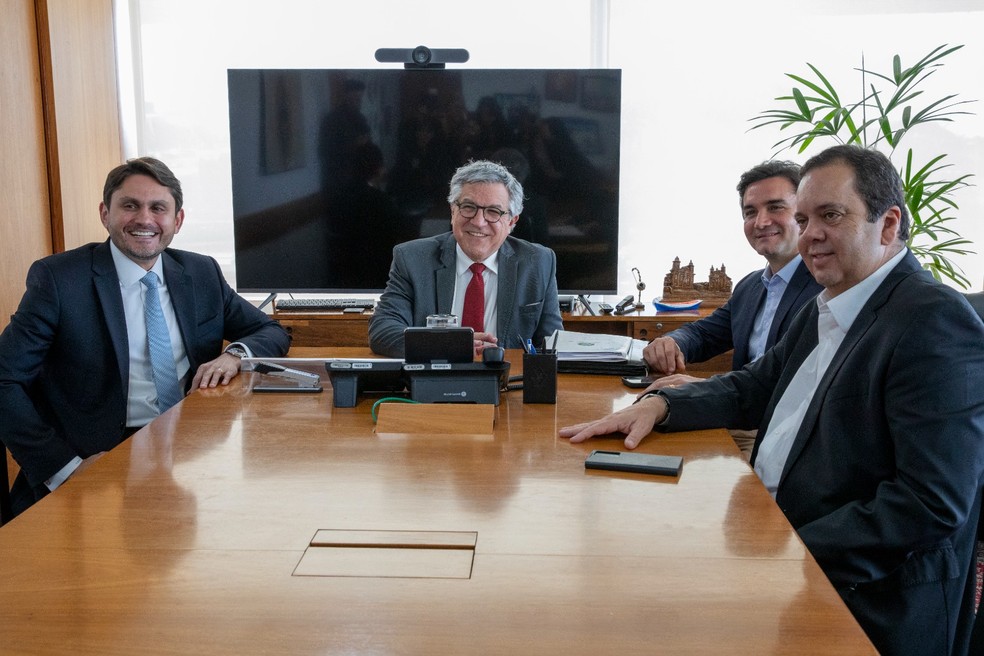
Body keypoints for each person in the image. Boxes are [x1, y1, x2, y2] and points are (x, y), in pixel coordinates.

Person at [560, 145, 984, 656]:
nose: (809, 235)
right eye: (804, 219)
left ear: (888, 224)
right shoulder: (827, 305)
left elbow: (930, 504)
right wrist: (659, 406)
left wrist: (791, 548)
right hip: (772, 533)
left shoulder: (932, 320)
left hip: (860, 597)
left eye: (830, 216)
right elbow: (753, 386)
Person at [0, 157, 290, 516]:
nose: (144, 219)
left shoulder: (201, 272)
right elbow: (4, 379)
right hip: (93, 463)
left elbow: (268, 329)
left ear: (177, 221)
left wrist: (235, 354)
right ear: (105, 213)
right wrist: (65, 467)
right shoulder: (59, 281)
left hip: (191, 450)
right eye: (130, 206)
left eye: (158, 208)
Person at [643, 161, 823, 457]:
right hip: (739, 418)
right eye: (750, 212)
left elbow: (793, 384)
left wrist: (704, 390)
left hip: (782, 436)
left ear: (803, 214)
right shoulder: (751, 286)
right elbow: (704, 333)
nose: (761, 222)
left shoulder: (824, 288)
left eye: (775, 207)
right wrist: (673, 342)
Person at [369, 159, 563, 358]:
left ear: (512, 221)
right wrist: (450, 346)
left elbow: (554, 343)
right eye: (469, 207)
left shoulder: (538, 262)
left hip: (508, 380)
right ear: (453, 211)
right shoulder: (413, 259)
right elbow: (383, 331)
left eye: (493, 212)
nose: (478, 222)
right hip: (436, 379)